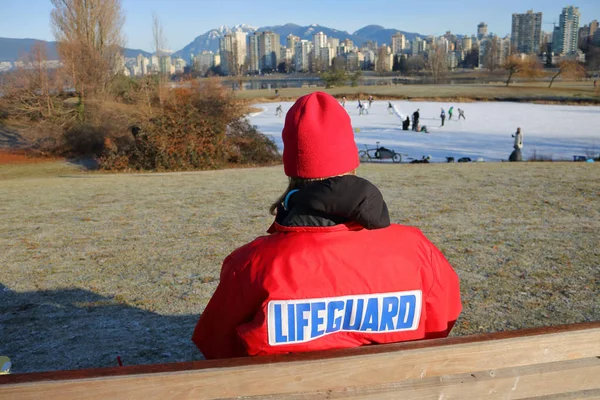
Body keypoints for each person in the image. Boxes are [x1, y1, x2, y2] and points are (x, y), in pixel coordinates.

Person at [192, 92, 462, 359]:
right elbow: (440, 324)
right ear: (351, 163)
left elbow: (217, 346)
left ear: (293, 171)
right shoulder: (417, 250)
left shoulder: (252, 264)